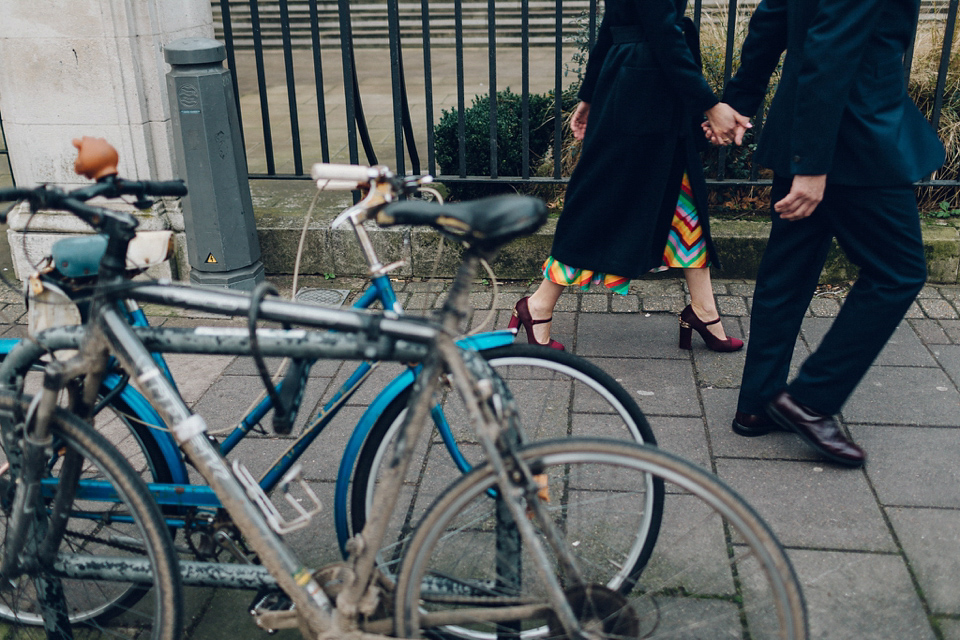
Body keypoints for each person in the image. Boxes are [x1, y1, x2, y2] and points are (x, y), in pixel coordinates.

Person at [715, 0, 946, 467]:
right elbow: (832, 47)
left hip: (815, 124)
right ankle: (810, 399)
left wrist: (741, 98)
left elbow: (775, 14)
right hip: (854, 135)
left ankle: (758, 405)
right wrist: (813, 165)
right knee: (898, 271)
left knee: (789, 271)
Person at [508, 0, 752, 352]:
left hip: (642, 82)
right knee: (603, 202)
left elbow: (613, 23)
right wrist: (710, 105)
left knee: (684, 198)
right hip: (642, 89)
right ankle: (537, 305)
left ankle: (704, 309)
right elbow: (661, 30)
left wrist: (590, 95)